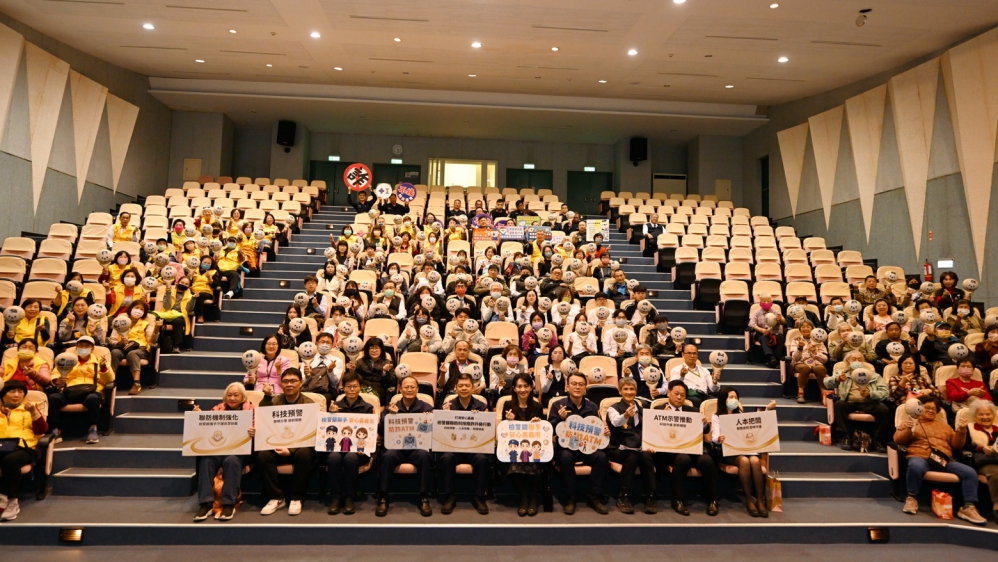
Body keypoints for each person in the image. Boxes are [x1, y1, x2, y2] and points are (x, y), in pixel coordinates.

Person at [895, 395, 986, 524]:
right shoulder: (909, 422)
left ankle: (968, 507)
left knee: (970, 473)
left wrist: (961, 431)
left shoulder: (945, 426)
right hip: (920, 456)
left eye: (934, 409)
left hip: (944, 459)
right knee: (916, 466)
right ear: (919, 409)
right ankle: (912, 498)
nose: (931, 410)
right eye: (927, 408)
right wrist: (909, 429)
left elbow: (957, 446)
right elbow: (898, 440)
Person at [652, 380, 719, 516]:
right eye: (676, 394)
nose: (679, 397)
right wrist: (664, 417)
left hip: (693, 448)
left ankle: (712, 499)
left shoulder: (693, 411)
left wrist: (704, 424)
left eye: (682, 395)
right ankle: (678, 499)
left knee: (707, 460)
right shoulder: (658, 410)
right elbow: (653, 432)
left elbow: (705, 430)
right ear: (668, 393)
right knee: (683, 459)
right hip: (672, 450)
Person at [191, 382, 255, 522]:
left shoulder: (251, 409)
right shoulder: (218, 409)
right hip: (219, 449)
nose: (232, 398)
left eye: (236, 395)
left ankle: (229, 503)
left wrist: (254, 431)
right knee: (206, 460)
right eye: (229, 395)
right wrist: (198, 417)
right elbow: (206, 428)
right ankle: (206, 503)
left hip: (241, 450)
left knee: (231, 460)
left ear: (243, 397)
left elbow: (260, 428)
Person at [548, 372, 610, 515]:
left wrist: (605, 431)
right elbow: (549, 429)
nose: (577, 387)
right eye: (574, 384)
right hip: (567, 448)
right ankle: (570, 498)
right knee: (565, 457)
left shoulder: (592, 407)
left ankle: (595, 496)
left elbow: (598, 429)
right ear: (567, 386)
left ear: (585, 388)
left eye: (581, 384)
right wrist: (559, 418)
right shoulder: (558, 405)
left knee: (601, 457)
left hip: (587, 448)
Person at [257, 368, 317, 516]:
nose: (289, 384)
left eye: (293, 381)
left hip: (299, 447)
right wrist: (267, 397)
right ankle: (276, 497)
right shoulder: (275, 401)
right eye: (285, 381)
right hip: (278, 445)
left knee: (305, 453)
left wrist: (291, 450)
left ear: (301, 383)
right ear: (281, 383)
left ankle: (296, 498)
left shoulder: (308, 403)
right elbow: (263, 420)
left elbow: (311, 434)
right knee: (263, 455)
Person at [712, 387, 777, 517]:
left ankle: (759, 500)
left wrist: (767, 411)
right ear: (723, 399)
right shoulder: (716, 416)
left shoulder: (741, 415)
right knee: (744, 461)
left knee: (754, 460)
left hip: (746, 449)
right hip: (728, 453)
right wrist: (719, 438)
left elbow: (757, 427)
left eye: (736, 398)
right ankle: (748, 500)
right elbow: (714, 437)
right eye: (731, 397)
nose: (734, 400)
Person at [377, 375, 434, 517]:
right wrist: (390, 418)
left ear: (417, 389)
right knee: (388, 456)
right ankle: (383, 496)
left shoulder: (426, 408)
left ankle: (423, 496)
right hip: (397, 449)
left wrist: (428, 421)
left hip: (416, 448)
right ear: (400, 389)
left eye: (412, 387)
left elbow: (433, 433)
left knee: (424, 455)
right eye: (406, 387)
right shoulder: (391, 408)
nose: (409, 389)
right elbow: (380, 432)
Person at [438, 373, 490, 515]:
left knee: (481, 459)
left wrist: (482, 418)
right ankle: (449, 496)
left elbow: (487, 433)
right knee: (446, 458)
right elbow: (441, 432)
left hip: (474, 447)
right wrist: (444, 415)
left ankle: (479, 497)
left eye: (467, 385)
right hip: (454, 447)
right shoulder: (448, 405)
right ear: (456, 388)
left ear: (472, 388)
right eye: (460, 385)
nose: (464, 388)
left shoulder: (481, 406)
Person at [48, 336, 113, 444]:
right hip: (69, 391)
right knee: (53, 398)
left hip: (90, 391)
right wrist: (56, 380)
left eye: (87, 346)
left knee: (92, 398)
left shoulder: (99, 361)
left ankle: (93, 428)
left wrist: (103, 368)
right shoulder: (66, 360)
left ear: (92, 348)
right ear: (76, 347)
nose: (83, 348)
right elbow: (55, 373)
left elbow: (109, 380)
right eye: (81, 345)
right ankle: (55, 430)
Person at [605, 377, 656, 514]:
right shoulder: (613, 408)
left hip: (639, 447)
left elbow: (652, 429)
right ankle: (623, 496)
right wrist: (626, 416)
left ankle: (650, 496)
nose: (629, 392)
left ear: (636, 391)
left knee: (646, 456)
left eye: (632, 389)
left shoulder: (643, 409)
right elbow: (615, 422)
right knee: (632, 455)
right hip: (618, 448)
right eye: (625, 389)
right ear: (620, 391)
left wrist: (651, 444)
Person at [326, 372, 374, 515]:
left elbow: (371, 433)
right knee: (333, 457)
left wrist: (365, 449)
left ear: (361, 387)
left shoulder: (367, 407)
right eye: (348, 386)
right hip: (338, 448)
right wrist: (330, 415)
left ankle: (348, 497)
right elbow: (328, 430)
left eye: (355, 386)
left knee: (350, 457)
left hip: (359, 451)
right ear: (343, 388)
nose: (351, 389)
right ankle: (336, 497)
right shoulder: (335, 406)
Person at [823, 350, 891, 451]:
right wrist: (837, 380)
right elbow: (826, 383)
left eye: (860, 359)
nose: (857, 361)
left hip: (869, 403)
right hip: (849, 403)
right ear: (848, 361)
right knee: (839, 404)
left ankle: (877, 440)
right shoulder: (843, 374)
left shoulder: (874, 376)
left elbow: (885, 392)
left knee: (884, 410)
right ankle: (845, 438)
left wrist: (871, 394)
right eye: (854, 359)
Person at [0, 380, 48, 521]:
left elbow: (42, 430)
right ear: (2, 394)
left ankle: (13, 501)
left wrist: (33, 412)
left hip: (25, 448)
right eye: (12, 391)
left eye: (20, 392)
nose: (16, 395)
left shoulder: (30, 409)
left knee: (9, 460)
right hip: (1, 446)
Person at [109, 301, 157, 395]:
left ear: (144, 313)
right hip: (123, 348)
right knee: (114, 352)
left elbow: (152, 339)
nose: (138, 311)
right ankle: (111, 381)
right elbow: (112, 340)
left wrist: (157, 329)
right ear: (131, 309)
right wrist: (120, 342)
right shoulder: (120, 322)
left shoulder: (146, 324)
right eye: (136, 308)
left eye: (141, 309)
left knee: (132, 354)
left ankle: (136, 384)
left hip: (140, 350)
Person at [964, 400, 998, 523]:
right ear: (975, 416)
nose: (985, 417)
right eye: (981, 414)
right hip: (983, 462)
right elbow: (963, 445)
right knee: (997, 474)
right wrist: (981, 448)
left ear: (993, 415)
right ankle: (996, 506)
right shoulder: (969, 428)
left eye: (988, 414)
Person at [663, 343, 720, 409]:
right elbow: (673, 386)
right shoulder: (676, 369)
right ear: (683, 354)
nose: (692, 356)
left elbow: (714, 389)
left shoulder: (704, 370)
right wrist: (682, 376)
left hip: (703, 395)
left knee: (716, 400)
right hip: (688, 395)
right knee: (696, 401)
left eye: (694, 353)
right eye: (689, 353)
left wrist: (715, 381)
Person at [788, 321, 827, 404]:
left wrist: (815, 353)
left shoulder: (819, 341)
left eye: (808, 326)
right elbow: (795, 358)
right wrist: (799, 348)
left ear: (812, 329)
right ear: (800, 329)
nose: (805, 328)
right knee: (805, 368)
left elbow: (825, 360)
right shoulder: (796, 340)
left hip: (816, 363)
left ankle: (824, 394)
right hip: (800, 363)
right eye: (803, 327)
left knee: (820, 369)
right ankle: (800, 393)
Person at [354, 337, 395, 406]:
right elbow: (354, 379)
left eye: (377, 348)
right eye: (371, 348)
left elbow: (391, 382)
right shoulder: (360, 362)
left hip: (379, 393)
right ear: (367, 350)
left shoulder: (387, 363)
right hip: (362, 390)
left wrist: (385, 372)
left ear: (381, 350)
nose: (374, 350)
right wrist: (351, 370)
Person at [748, 295, 785, 368]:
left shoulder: (776, 312)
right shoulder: (757, 313)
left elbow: (783, 322)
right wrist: (761, 330)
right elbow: (751, 324)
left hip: (775, 332)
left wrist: (780, 319)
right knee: (764, 338)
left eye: (768, 301)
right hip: (761, 333)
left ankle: (777, 358)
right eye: (764, 301)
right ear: (760, 303)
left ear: (771, 302)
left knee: (780, 337)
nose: (766, 302)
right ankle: (771, 358)